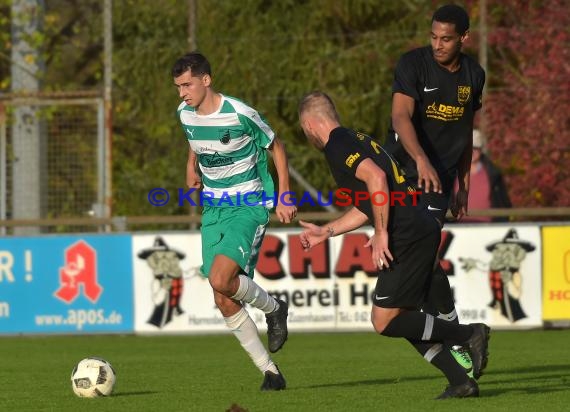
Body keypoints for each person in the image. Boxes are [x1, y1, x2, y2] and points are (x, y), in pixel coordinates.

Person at [297, 91, 490, 399]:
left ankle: (468, 334)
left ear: (310, 123)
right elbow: (367, 203)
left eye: (304, 130)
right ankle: (460, 381)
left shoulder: (336, 144)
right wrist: (328, 231)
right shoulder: (356, 138)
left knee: (383, 320)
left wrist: (383, 232)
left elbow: (376, 179)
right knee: (402, 318)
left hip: (406, 233)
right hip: (418, 226)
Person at [172, 51, 297, 391]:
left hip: (248, 203)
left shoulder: (240, 113)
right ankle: (270, 372)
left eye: (187, 85)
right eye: (178, 87)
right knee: (222, 295)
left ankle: (274, 309)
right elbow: (194, 140)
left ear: (206, 80)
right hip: (213, 208)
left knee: (221, 277)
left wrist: (285, 194)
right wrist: (190, 166)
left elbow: (277, 146)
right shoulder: (185, 112)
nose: (182, 93)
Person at [383, 4, 486, 373]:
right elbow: (399, 116)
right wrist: (421, 159)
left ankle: (459, 337)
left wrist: (464, 185)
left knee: (422, 257)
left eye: (446, 39)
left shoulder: (474, 74)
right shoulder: (413, 64)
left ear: (464, 38)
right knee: (418, 258)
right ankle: (460, 332)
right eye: (433, 37)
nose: (438, 44)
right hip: (401, 173)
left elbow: (463, 133)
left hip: (437, 184)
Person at [452, 130, 512, 222]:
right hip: (458, 230)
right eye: (468, 148)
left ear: (481, 150)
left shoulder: (494, 174)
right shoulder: (452, 173)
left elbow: (503, 203)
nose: (472, 152)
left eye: (475, 148)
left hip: (487, 229)